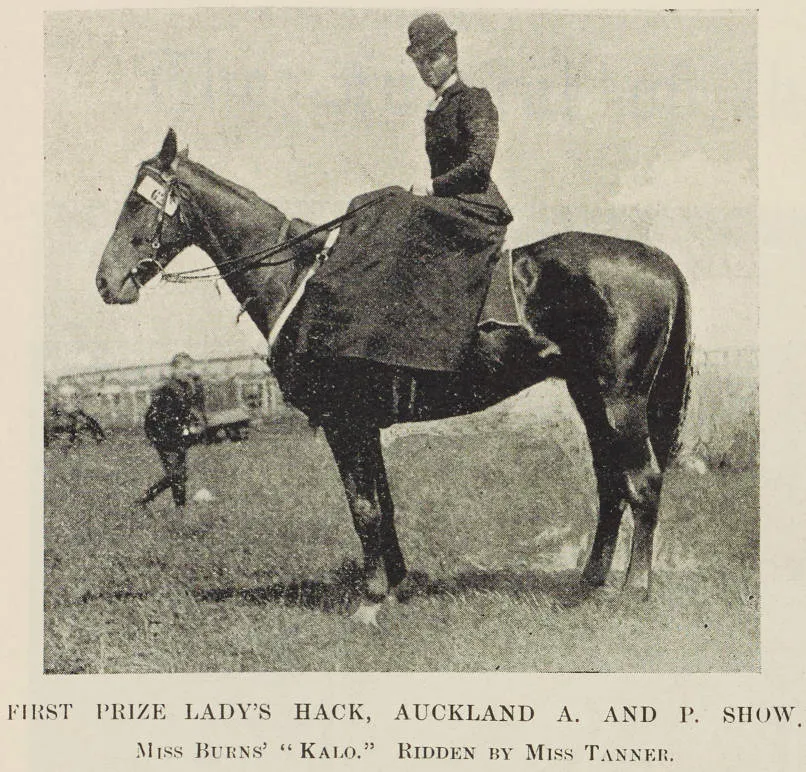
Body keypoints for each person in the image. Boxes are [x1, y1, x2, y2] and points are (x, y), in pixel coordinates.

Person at [286, 14, 513, 384]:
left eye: (433, 58)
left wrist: (432, 188)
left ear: (452, 55)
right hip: (451, 208)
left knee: (393, 205)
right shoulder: (436, 110)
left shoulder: (474, 100)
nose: (426, 68)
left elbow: (479, 165)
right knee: (371, 203)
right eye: (419, 61)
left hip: (477, 208)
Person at [138, 353, 206, 510]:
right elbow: (159, 417)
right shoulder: (167, 389)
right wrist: (184, 430)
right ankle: (145, 499)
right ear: (174, 369)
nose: (188, 372)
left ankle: (178, 508)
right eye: (184, 368)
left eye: (190, 368)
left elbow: (189, 410)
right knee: (176, 475)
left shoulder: (185, 387)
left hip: (177, 437)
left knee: (178, 475)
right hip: (164, 437)